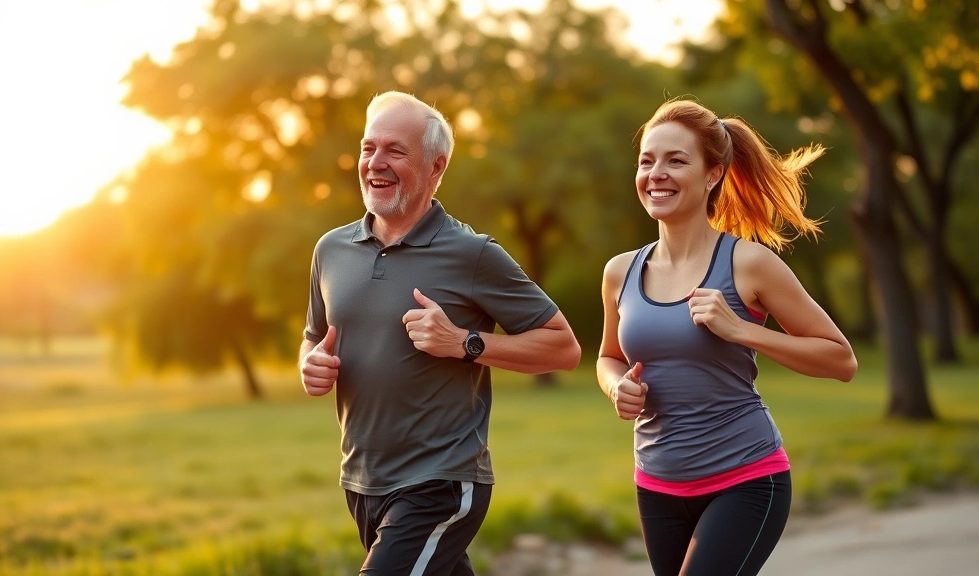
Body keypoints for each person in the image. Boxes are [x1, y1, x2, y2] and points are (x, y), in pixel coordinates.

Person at [299, 91, 581, 576]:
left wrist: (464, 343)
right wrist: (309, 364)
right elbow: (313, 336)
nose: (375, 163)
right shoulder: (332, 249)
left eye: (394, 150)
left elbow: (564, 347)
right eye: (368, 148)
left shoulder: (471, 253)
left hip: (441, 480)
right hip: (363, 479)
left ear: (435, 166)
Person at [596, 98, 857, 576]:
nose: (657, 173)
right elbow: (608, 357)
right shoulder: (620, 272)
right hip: (657, 483)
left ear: (712, 174)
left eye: (676, 160)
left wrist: (742, 331)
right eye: (647, 161)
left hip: (746, 479)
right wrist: (617, 387)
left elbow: (841, 360)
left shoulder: (747, 264)